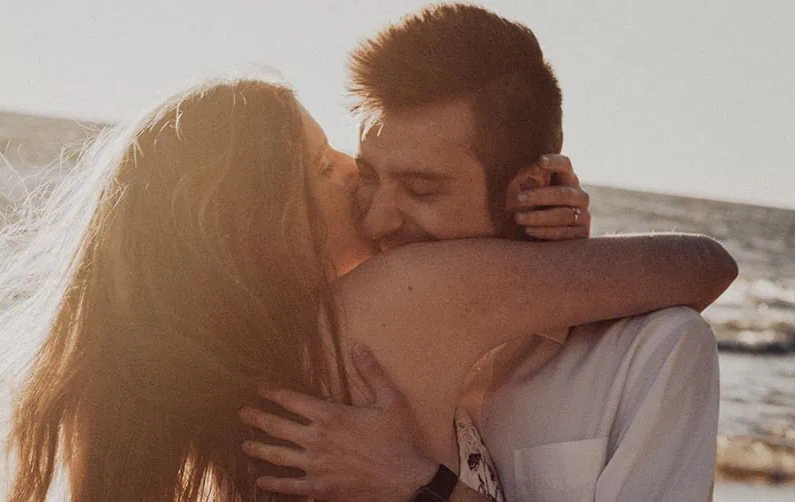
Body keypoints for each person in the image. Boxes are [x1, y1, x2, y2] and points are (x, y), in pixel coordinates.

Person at [0, 76, 735, 501]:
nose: (353, 173)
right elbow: (704, 265)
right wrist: (556, 258)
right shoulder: (407, 292)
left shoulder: (169, 395)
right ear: (263, 223)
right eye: (322, 167)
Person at [239, 4, 729, 501]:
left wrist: (422, 487)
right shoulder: (337, 329)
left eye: (422, 189)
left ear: (531, 188)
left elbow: (713, 265)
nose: (376, 219)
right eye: (368, 176)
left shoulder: (653, 354)